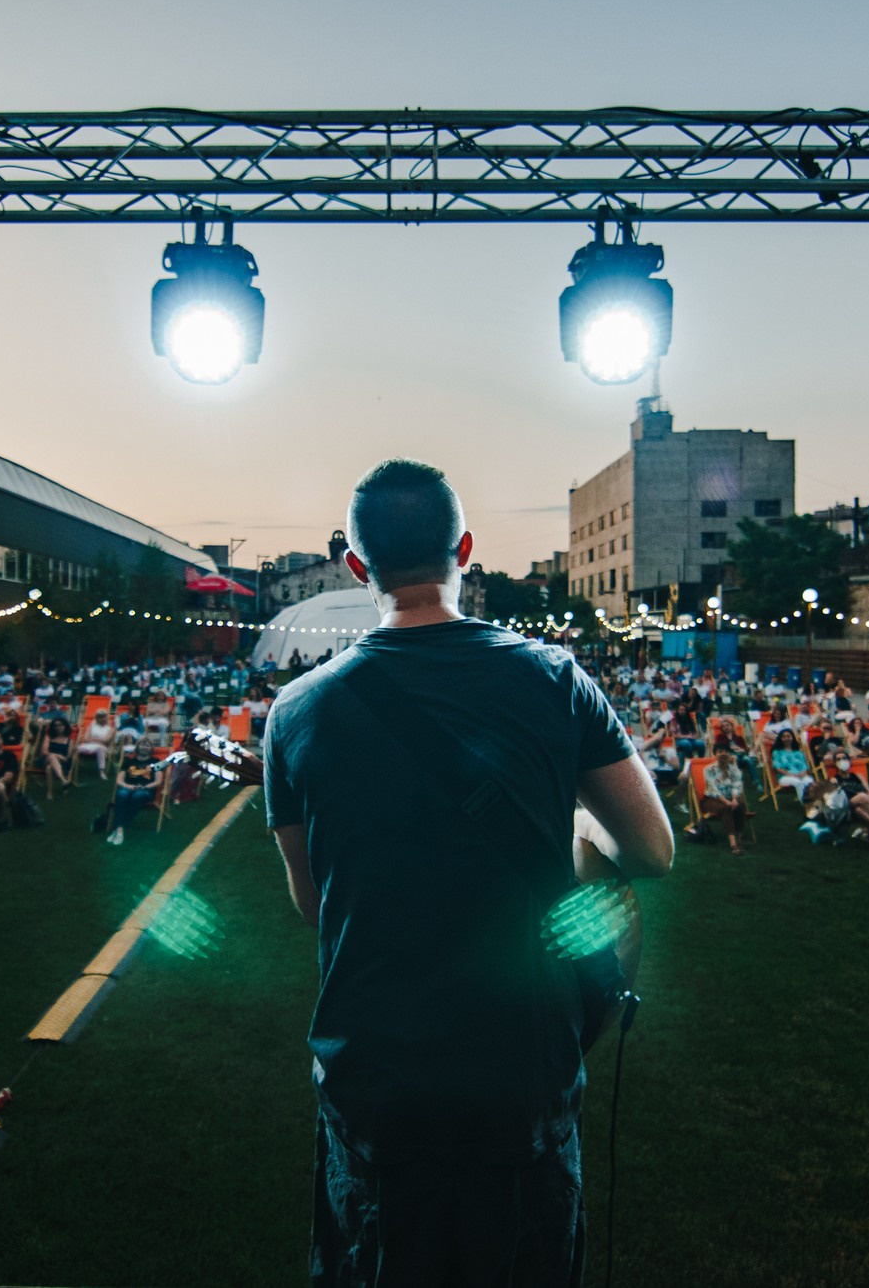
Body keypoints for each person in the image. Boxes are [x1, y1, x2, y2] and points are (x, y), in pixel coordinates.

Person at [264, 459, 673, 1285]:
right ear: (467, 551)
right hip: (518, 1079)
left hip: (374, 1080)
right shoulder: (554, 677)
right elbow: (653, 851)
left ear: (356, 566)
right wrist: (571, 830)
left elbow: (314, 904)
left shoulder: (296, 710)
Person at [686, 745, 747, 853]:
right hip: (710, 800)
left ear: (729, 754)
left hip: (730, 799)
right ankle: (734, 845)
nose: (723, 754)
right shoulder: (709, 769)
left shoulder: (734, 769)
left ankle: (739, 840)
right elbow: (713, 790)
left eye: (726, 751)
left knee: (740, 806)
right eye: (720, 751)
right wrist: (727, 802)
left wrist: (734, 799)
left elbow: (736, 785)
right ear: (715, 754)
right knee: (725, 808)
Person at [104, 742, 165, 845]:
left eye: (147, 745)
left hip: (146, 790)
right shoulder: (128, 761)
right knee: (121, 794)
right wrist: (128, 786)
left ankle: (117, 829)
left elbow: (158, 781)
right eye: (142, 744)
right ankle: (120, 831)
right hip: (129, 788)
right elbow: (119, 780)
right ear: (137, 747)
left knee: (137, 796)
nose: (144, 747)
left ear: (151, 749)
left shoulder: (155, 761)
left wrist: (144, 786)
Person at [770, 727, 815, 802]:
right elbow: (777, 768)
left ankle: (813, 803)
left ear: (792, 738)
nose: (786, 738)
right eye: (784, 737)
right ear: (780, 739)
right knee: (797, 782)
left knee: (809, 781)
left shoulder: (798, 752)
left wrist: (803, 772)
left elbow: (804, 766)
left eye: (788, 736)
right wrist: (791, 774)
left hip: (800, 775)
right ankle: (806, 805)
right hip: (784, 777)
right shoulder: (777, 752)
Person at [74, 709, 116, 780]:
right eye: (100, 717)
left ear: (107, 718)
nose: (102, 719)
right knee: (75, 748)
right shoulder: (92, 726)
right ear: (97, 718)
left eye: (104, 717)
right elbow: (86, 738)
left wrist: (93, 738)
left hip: (102, 747)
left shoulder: (110, 729)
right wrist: (100, 740)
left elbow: (106, 741)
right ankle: (72, 770)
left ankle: (101, 772)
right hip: (89, 746)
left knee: (100, 749)